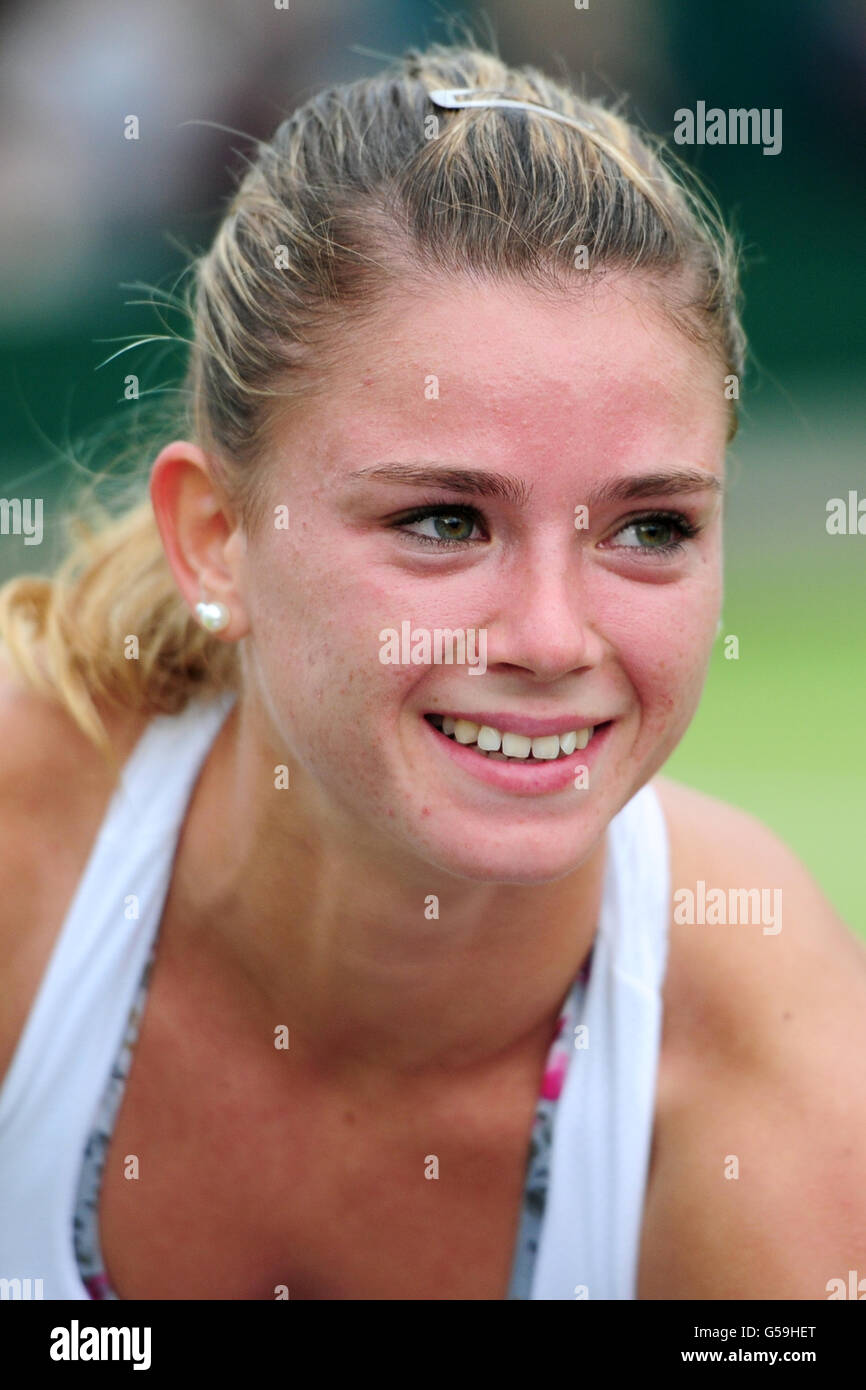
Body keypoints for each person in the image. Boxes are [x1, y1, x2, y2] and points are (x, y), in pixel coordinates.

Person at [1, 40, 864, 1302]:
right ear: (214, 540)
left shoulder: (766, 1053)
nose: (555, 637)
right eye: (444, 520)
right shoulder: (23, 863)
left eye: (648, 528)